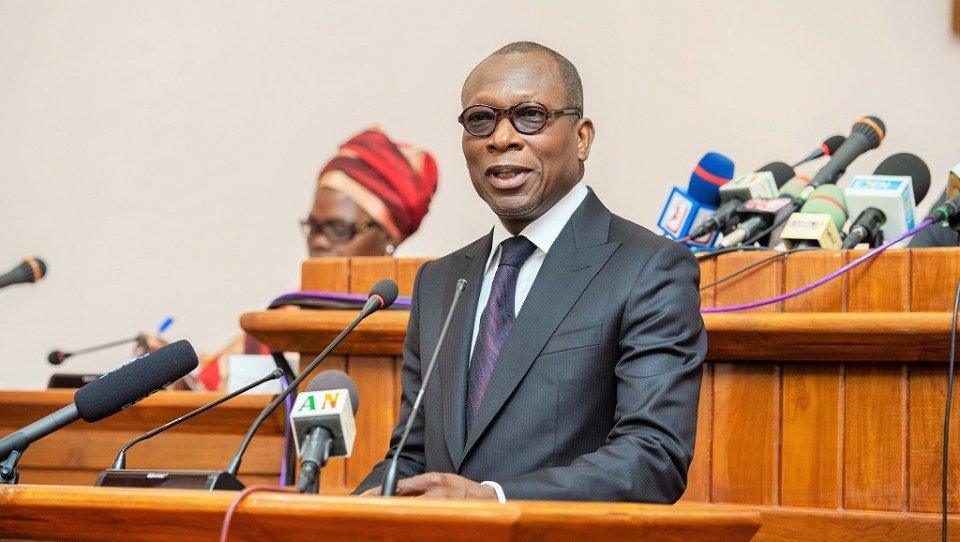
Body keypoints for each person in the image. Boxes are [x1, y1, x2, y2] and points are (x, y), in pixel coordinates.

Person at [355, 41, 706, 502]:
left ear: (581, 138)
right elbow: (414, 454)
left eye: (530, 116)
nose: (502, 138)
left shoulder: (648, 268)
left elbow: (652, 458)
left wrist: (494, 498)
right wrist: (350, 510)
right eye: (481, 119)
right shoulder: (440, 281)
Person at [303, 127, 439, 257]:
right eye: (313, 228)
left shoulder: (425, 281)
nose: (319, 242)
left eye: (339, 230)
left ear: (387, 238)